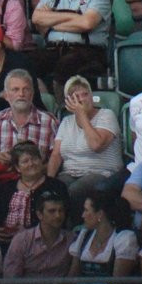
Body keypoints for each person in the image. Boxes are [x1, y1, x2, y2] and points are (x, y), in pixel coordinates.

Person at [30, 0, 112, 96]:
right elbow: (36, 18)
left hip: (87, 50)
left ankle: (62, 109)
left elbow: (87, 23)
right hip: (53, 48)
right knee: (24, 64)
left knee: (66, 66)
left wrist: (52, 19)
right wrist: (75, 17)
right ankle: (45, 106)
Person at [47, 75, 123, 213]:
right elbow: (56, 155)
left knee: (75, 190)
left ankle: (76, 228)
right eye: (76, 96)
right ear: (68, 101)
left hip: (101, 172)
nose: (82, 99)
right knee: (55, 189)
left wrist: (81, 115)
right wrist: (48, 181)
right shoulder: (66, 122)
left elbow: (96, 145)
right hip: (70, 172)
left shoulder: (106, 115)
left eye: (85, 94)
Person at [64, 192, 138, 284]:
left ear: (100, 214)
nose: (82, 215)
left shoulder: (124, 238)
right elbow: (73, 276)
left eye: (86, 210)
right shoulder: (84, 235)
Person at [0, 141, 67, 246]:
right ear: (18, 167)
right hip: (4, 241)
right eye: (25, 161)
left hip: (39, 242)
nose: (31, 164)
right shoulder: (4, 188)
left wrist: (29, 231)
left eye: (35, 159)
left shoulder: (56, 187)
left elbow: (59, 219)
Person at [0, 70, 58, 171]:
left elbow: (57, 160)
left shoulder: (49, 121)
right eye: (15, 90)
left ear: (32, 94)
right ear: (6, 95)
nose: (21, 94)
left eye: (26, 89)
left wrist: (35, 170)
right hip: (3, 181)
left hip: (38, 181)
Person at [1, 191, 72, 284]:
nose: (58, 215)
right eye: (52, 211)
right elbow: (11, 281)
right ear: (39, 214)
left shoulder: (71, 239)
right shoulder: (22, 240)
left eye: (61, 211)